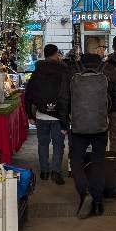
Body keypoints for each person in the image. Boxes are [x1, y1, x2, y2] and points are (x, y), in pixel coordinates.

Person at [68, 50, 110, 218]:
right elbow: (110, 100)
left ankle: (85, 192)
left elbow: (65, 98)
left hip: (78, 126)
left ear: (83, 63)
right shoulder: (105, 75)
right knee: (98, 161)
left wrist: (66, 121)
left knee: (76, 160)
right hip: (100, 126)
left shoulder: (73, 76)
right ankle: (98, 203)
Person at [24, 44, 70, 184]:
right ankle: (56, 172)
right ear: (56, 54)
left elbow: (29, 94)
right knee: (58, 144)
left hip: (41, 115)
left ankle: (44, 171)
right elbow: (68, 94)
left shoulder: (37, 71)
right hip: (58, 115)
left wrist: (30, 115)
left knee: (43, 144)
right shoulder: (64, 70)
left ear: (44, 55)